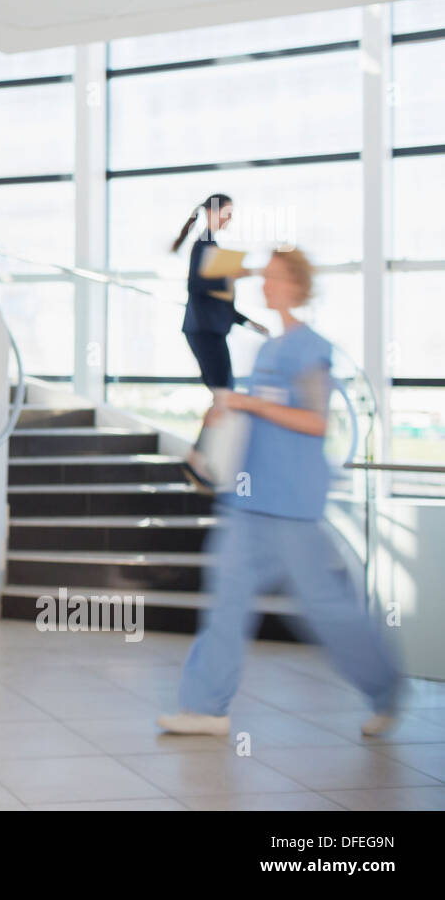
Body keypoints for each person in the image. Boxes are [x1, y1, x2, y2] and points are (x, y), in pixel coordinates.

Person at [158, 247, 403, 738]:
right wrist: (226, 411)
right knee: (226, 601)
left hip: (292, 505)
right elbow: (258, 411)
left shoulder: (312, 348)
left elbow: (314, 422)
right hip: (249, 501)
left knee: (327, 610)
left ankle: (386, 691)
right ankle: (206, 708)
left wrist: (249, 403)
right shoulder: (268, 348)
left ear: (295, 284)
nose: (264, 285)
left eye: (272, 278)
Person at [172, 193, 264, 487]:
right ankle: (198, 460)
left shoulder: (212, 247)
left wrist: (249, 322)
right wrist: (233, 275)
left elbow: (221, 302)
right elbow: (197, 286)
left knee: (223, 395)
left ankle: (199, 459)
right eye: (227, 213)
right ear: (213, 213)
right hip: (204, 330)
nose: (230, 219)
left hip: (210, 328)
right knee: (224, 395)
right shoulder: (204, 245)